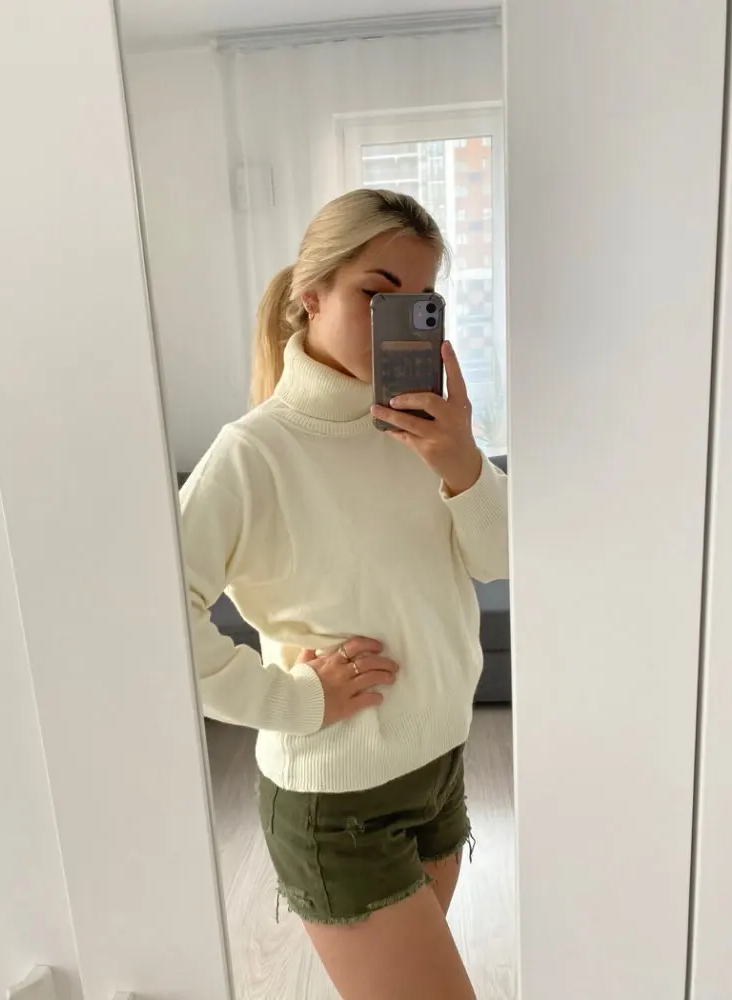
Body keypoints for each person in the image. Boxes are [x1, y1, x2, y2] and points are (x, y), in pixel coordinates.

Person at [179, 188, 509, 1000]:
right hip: (338, 802)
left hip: (439, 769)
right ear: (311, 293)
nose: (400, 318)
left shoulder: (424, 430)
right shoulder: (252, 454)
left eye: (421, 301)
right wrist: (294, 700)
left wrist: (463, 461)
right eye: (376, 291)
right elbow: (155, 626)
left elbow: (500, 560)